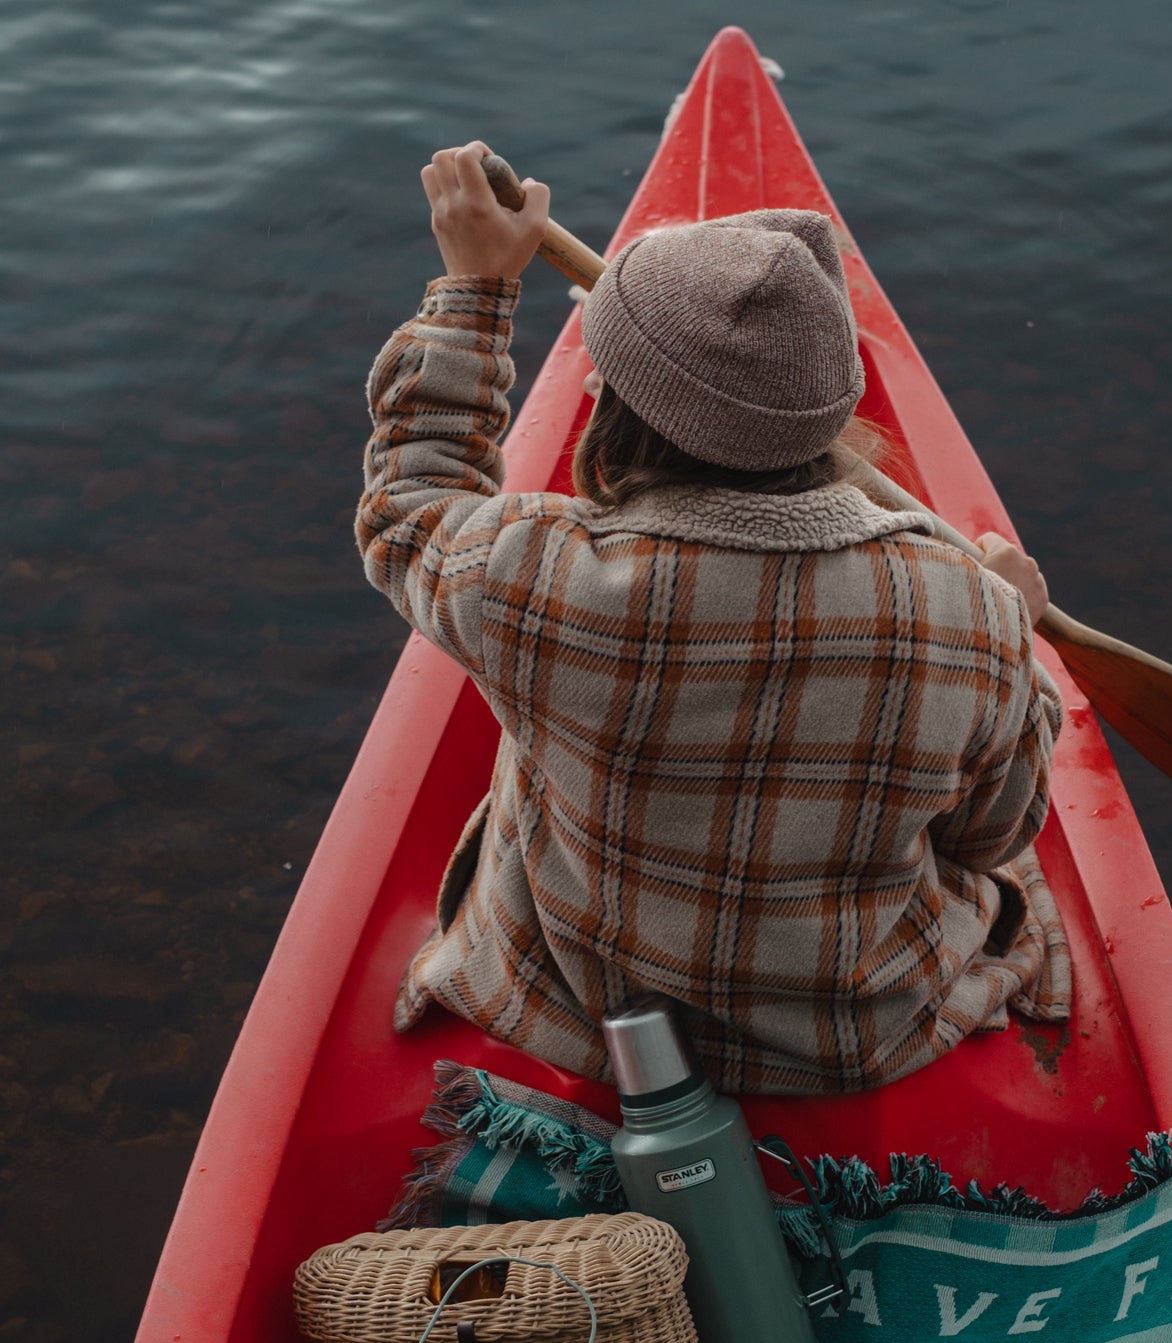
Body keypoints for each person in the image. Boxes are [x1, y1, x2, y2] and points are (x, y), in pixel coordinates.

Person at [357, 141, 1070, 1094]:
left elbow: (409, 505)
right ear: (829, 414)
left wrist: (475, 294)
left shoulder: (528, 575)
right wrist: (1014, 644)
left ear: (614, 410)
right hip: (856, 1041)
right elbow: (992, 835)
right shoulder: (970, 615)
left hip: (593, 1019)